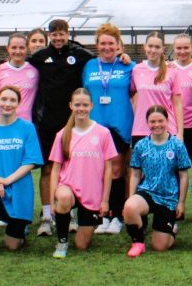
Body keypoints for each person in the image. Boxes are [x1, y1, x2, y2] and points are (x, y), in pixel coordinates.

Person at [28, 19, 95, 235]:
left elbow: (101, 59)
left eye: (61, 34)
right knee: (47, 170)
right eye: (54, 34)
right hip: (46, 123)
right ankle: (47, 215)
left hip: (72, 124)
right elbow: (18, 62)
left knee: (71, 169)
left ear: (67, 34)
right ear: (49, 35)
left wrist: (123, 57)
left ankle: (69, 213)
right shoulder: (40, 57)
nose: (57, 38)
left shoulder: (80, 54)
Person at [48, 89, 117, 258]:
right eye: (77, 104)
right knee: (63, 197)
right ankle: (62, 242)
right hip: (68, 187)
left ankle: (83, 227)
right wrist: (52, 200)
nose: (81, 108)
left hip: (92, 194)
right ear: (71, 106)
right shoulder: (63, 134)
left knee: (81, 245)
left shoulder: (103, 133)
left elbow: (109, 169)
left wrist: (105, 200)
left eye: (85, 105)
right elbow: (55, 169)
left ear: (91, 106)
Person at [0, 86, 43, 259]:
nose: (7, 103)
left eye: (12, 100)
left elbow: (30, 161)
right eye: (4, 99)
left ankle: (20, 230)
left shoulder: (27, 128)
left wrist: (7, 180)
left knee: (13, 245)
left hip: (19, 186)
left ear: (19, 104)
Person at [81, 23, 134, 235]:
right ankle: (100, 215)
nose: (106, 47)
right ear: (97, 45)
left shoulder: (129, 66)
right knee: (96, 172)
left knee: (117, 171)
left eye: (111, 43)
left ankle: (116, 216)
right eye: (103, 43)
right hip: (94, 126)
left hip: (119, 125)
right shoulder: (89, 66)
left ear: (118, 45)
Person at [123, 105, 191, 257]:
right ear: (147, 123)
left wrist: (181, 202)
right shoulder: (141, 145)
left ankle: (171, 228)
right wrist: (131, 197)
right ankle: (138, 242)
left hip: (168, 197)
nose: (157, 125)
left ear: (167, 121)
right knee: (130, 207)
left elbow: (184, 175)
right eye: (152, 121)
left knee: (160, 246)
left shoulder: (177, 145)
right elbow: (135, 174)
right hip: (147, 191)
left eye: (160, 120)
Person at [130, 31, 184, 142]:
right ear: (144, 47)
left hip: (166, 130)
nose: (153, 50)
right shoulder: (136, 69)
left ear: (163, 49)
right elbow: (131, 95)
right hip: (141, 130)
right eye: (150, 46)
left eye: (157, 47)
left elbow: (178, 104)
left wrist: (180, 133)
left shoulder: (172, 71)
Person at [0, 33, 39, 123]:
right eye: (14, 47)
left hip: (25, 124)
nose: (18, 51)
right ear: (7, 48)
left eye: (21, 48)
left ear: (27, 48)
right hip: (1, 122)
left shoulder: (35, 71)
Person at [172, 33, 192, 166]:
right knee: (174, 167)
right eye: (179, 48)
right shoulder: (168, 68)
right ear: (174, 49)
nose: (182, 51)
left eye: (186, 47)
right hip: (173, 126)